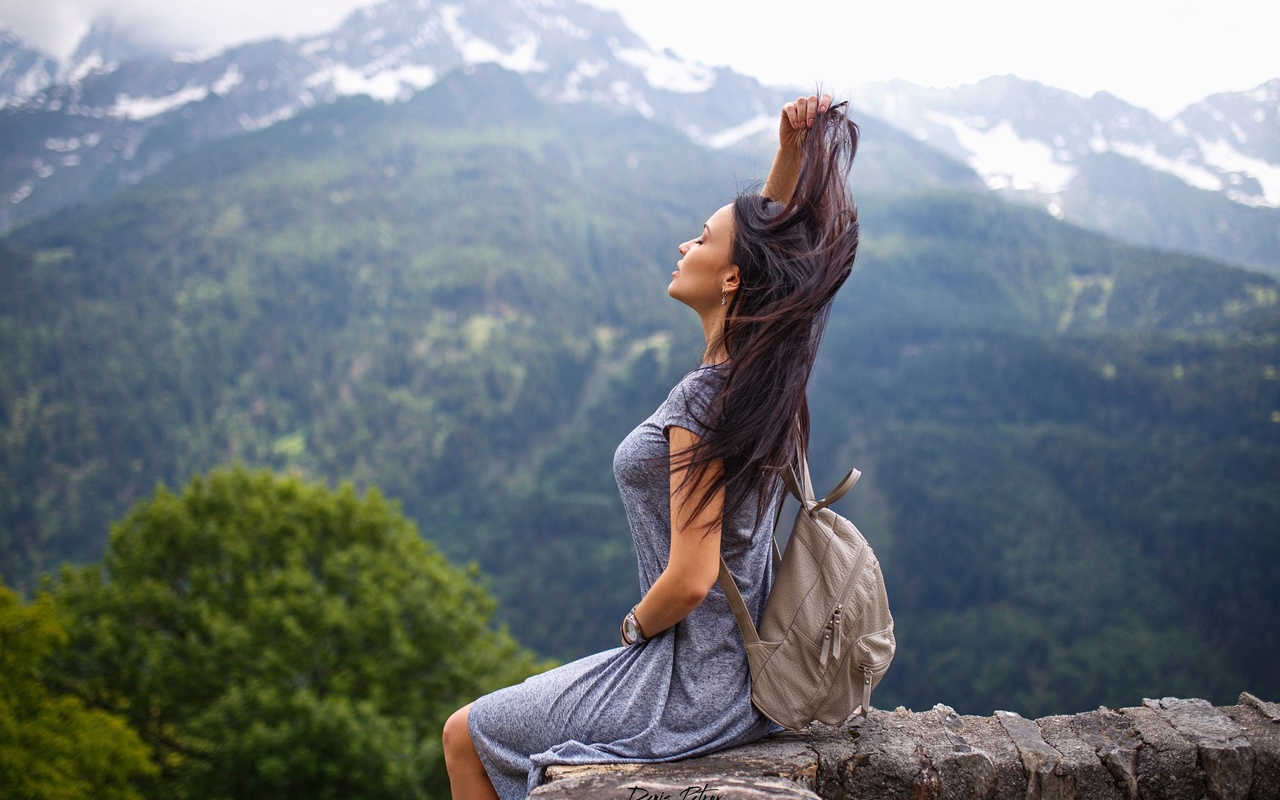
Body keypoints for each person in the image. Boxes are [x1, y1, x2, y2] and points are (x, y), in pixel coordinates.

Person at [442, 92, 860, 800]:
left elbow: (691, 578)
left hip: (690, 687)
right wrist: (789, 157)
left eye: (700, 238)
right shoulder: (760, 386)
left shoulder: (706, 400)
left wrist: (635, 627)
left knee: (465, 733)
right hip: (743, 683)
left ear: (731, 278)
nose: (683, 246)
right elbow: (765, 250)